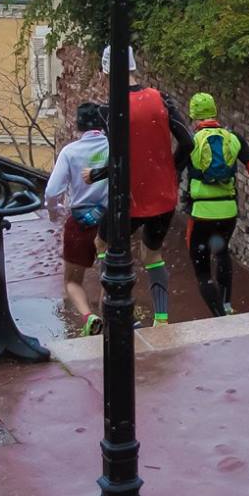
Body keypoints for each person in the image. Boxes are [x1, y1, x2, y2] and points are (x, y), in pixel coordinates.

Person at [95, 46, 192, 326]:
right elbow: (188, 141)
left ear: (106, 72)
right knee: (151, 253)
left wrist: (98, 174)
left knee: (104, 244)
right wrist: (172, 170)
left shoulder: (109, 110)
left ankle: (114, 312)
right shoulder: (161, 99)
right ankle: (161, 318)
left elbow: (118, 159)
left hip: (129, 197)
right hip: (164, 195)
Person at [182, 92, 249, 316]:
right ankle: (227, 305)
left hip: (200, 213)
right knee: (222, 253)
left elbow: (172, 171)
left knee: (202, 272)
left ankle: (220, 317)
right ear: (214, 113)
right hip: (228, 212)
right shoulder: (234, 139)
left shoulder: (190, 142)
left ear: (193, 117)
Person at [44, 102, 111, 335]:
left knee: (73, 281)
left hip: (80, 222)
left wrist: (56, 212)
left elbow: (52, 192)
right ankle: (108, 319)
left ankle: (89, 317)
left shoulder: (70, 152)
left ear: (78, 125)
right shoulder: (114, 148)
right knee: (110, 277)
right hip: (109, 220)